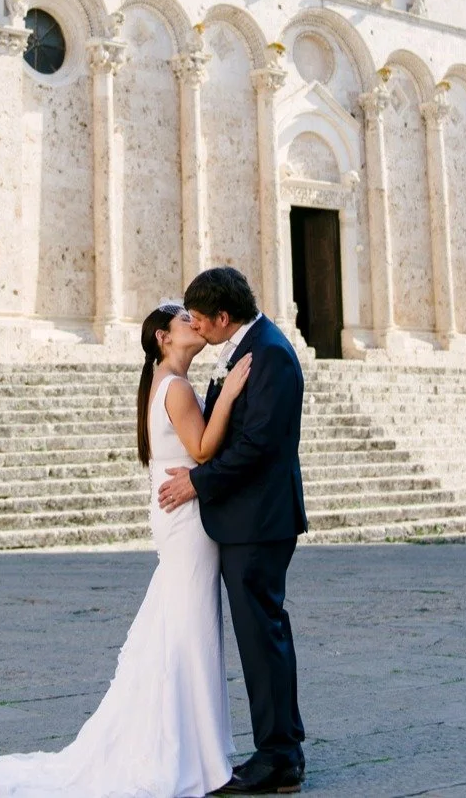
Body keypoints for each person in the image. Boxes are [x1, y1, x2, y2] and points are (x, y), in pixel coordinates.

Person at [0, 302, 252, 798]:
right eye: (185, 319)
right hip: (185, 522)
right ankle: (191, 752)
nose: (196, 322)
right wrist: (228, 394)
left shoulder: (163, 382)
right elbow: (203, 449)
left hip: (179, 517)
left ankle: (191, 747)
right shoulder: (177, 386)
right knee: (190, 633)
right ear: (164, 338)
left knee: (180, 630)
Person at [159, 268, 307, 796]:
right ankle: (281, 746)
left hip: (259, 521)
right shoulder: (252, 346)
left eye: (200, 318)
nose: (194, 327)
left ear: (224, 317)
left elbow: (258, 446)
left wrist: (198, 481)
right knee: (260, 634)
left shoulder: (268, 354)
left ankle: (279, 757)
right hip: (249, 518)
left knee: (261, 635)